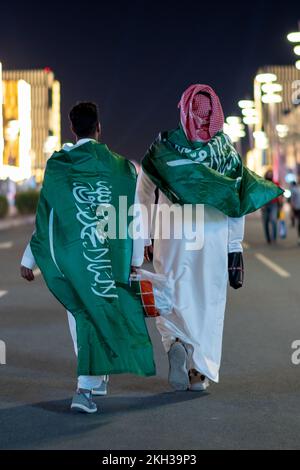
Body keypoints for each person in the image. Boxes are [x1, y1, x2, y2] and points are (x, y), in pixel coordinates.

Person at [136, 84, 283, 392]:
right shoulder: (225, 151)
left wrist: (144, 237)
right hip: (213, 236)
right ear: (215, 115)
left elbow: (143, 194)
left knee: (168, 290)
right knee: (207, 301)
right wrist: (234, 246)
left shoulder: (164, 147)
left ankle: (173, 340)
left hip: (171, 231)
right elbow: (237, 200)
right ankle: (198, 371)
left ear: (183, 109)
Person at [20, 102, 155, 413]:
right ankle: (85, 389)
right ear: (99, 128)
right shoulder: (121, 168)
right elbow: (133, 216)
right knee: (100, 314)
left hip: (76, 263)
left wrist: (30, 259)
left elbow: (48, 218)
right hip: (109, 260)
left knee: (83, 315)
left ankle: (94, 381)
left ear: (72, 129)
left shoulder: (59, 167)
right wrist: (135, 258)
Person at [261, 169, 280, 244]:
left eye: (271, 174)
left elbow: (279, 194)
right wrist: (261, 205)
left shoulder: (275, 183)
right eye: (268, 174)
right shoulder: (262, 184)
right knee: (265, 222)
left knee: (273, 221)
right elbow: (260, 195)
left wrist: (280, 205)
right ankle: (268, 238)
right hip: (265, 205)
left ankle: (274, 238)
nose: (270, 175)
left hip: (274, 204)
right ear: (266, 175)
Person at [290, 177, 300, 245]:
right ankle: (299, 237)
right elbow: (292, 200)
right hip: (298, 208)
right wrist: (292, 210)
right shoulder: (295, 189)